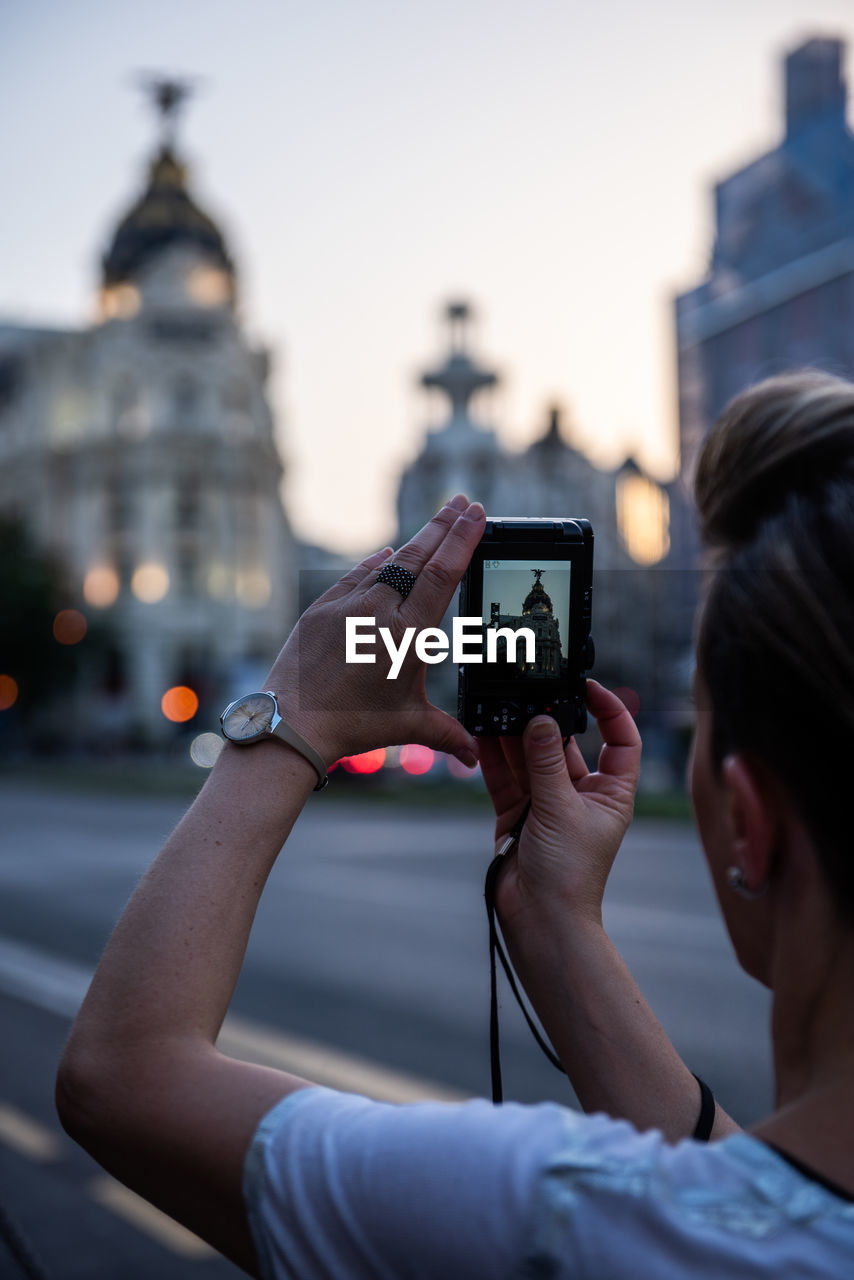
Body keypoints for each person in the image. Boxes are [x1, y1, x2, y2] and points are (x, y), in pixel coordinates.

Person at [56, 370, 854, 1278]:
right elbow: (738, 1182)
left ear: (750, 826)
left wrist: (292, 712)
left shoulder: (548, 1216)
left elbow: (121, 1078)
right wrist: (551, 917)